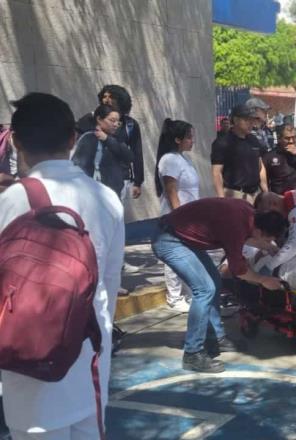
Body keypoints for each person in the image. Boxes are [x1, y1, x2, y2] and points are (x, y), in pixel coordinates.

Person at [0, 92, 125, 439]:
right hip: (88, 357)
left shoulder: (9, 201)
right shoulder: (105, 198)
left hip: (24, 365)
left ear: (15, 141)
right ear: (73, 138)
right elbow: (110, 282)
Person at [152, 198, 287, 373]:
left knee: (214, 281)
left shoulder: (249, 214)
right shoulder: (236, 226)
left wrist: (267, 247)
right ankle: (193, 353)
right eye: (269, 240)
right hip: (168, 240)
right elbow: (238, 269)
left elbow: (247, 238)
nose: (269, 244)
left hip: (183, 237)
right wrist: (263, 280)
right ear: (260, 233)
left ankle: (214, 337)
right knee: (205, 289)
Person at [155, 119, 200, 313]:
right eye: (189, 137)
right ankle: (174, 297)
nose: (192, 141)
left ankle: (190, 293)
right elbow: (171, 190)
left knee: (189, 257)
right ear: (177, 139)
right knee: (175, 257)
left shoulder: (183, 159)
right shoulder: (170, 160)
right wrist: (179, 216)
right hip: (176, 216)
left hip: (190, 216)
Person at [77, 85, 144, 201]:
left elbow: (136, 154)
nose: (106, 100)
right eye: (104, 96)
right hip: (93, 177)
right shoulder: (91, 118)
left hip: (121, 179)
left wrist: (138, 182)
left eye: (111, 97)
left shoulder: (130, 125)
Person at [72, 104, 135, 196]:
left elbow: (129, 156)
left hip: (111, 195)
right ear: (99, 119)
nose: (116, 125)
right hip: (94, 194)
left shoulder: (113, 139)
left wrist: (107, 139)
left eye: (118, 122)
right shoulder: (89, 138)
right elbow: (79, 166)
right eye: (112, 120)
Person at [211, 104, 268, 202]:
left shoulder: (253, 140)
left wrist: (265, 191)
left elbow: (260, 166)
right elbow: (216, 172)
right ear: (236, 120)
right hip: (234, 194)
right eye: (247, 120)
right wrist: (221, 198)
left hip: (255, 194)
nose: (251, 123)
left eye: (252, 120)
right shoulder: (223, 142)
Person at [262, 123, 296, 195]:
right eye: (287, 138)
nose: (291, 141)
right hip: (280, 198)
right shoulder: (269, 156)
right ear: (279, 138)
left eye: (293, 137)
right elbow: (264, 181)